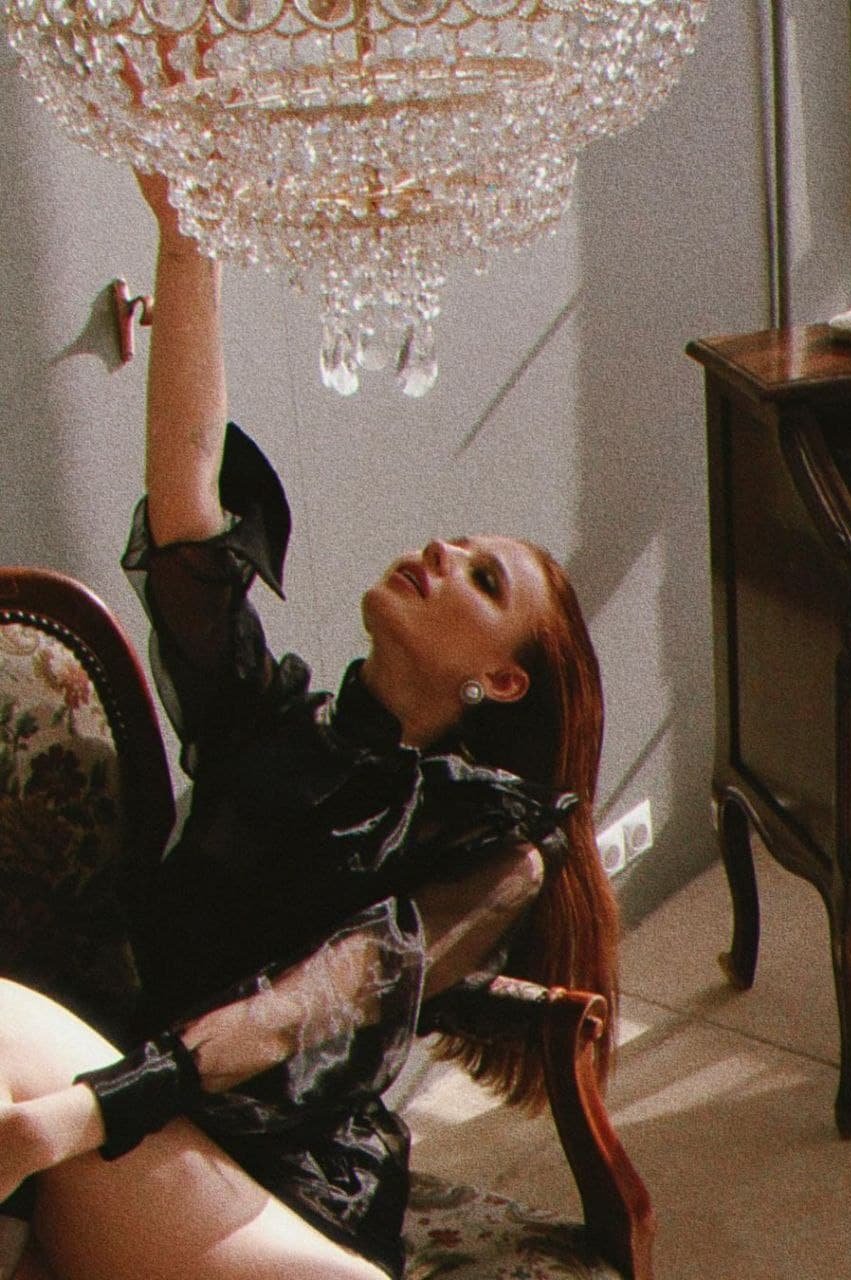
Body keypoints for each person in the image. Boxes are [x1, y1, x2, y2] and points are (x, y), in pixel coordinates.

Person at [0, 171, 620, 1280]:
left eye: (482, 578)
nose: (442, 552)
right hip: (124, 1143)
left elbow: (302, 1010)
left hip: (267, 1185)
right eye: (458, 542)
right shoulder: (268, 724)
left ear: (501, 679)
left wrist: (74, 1118)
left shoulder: (492, 846)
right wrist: (187, 234)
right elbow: (187, 498)